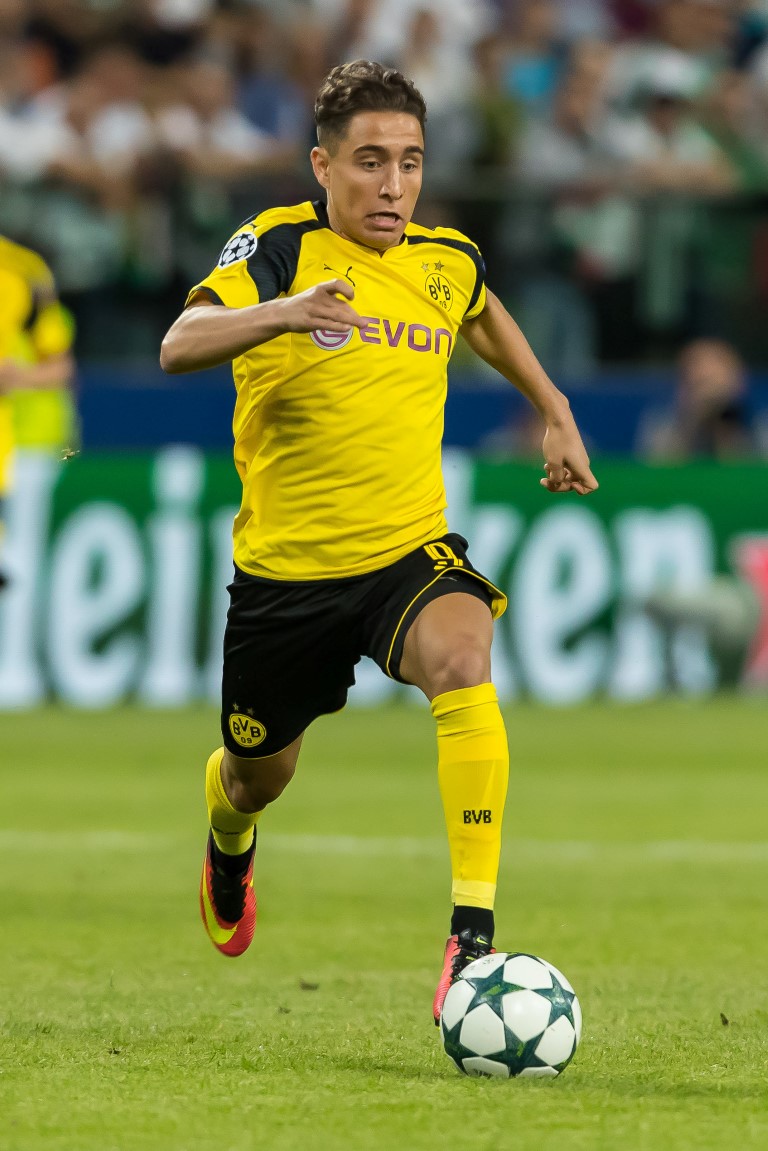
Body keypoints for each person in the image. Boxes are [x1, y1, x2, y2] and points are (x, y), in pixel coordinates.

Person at [160, 59, 598, 1025]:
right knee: (257, 775)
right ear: (323, 166)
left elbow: (480, 309)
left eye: (411, 161)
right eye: (370, 162)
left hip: (406, 551)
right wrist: (285, 312)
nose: (394, 184)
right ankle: (228, 837)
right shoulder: (280, 246)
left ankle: (471, 937)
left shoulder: (445, 256)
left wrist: (554, 407)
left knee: (464, 655)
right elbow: (178, 344)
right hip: (287, 576)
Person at [0, 234, 76, 589]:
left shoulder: (22, 270)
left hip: (27, 446)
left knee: (18, 563)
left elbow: (61, 367)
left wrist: (15, 377)